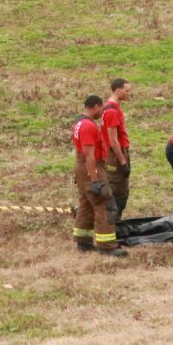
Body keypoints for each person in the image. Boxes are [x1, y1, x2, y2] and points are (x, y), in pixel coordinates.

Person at [72, 95, 129, 257]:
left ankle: (83, 241)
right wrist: (96, 180)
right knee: (105, 204)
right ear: (95, 106)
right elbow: (89, 155)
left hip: (81, 168)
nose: (102, 112)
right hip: (92, 168)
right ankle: (107, 246)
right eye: (101, 108)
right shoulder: (88, 126)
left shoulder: (79, 123)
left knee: (86, 204)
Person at [102, 78, 132, 223]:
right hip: (115, 154)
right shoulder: (111, 111)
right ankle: (112, 222)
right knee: (118, 189)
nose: (128, 94)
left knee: (119, 188)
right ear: (117, 90)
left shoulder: (112, 108)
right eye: (126, 91)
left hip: (117, 152)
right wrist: (123, 161)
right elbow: (113, 140)